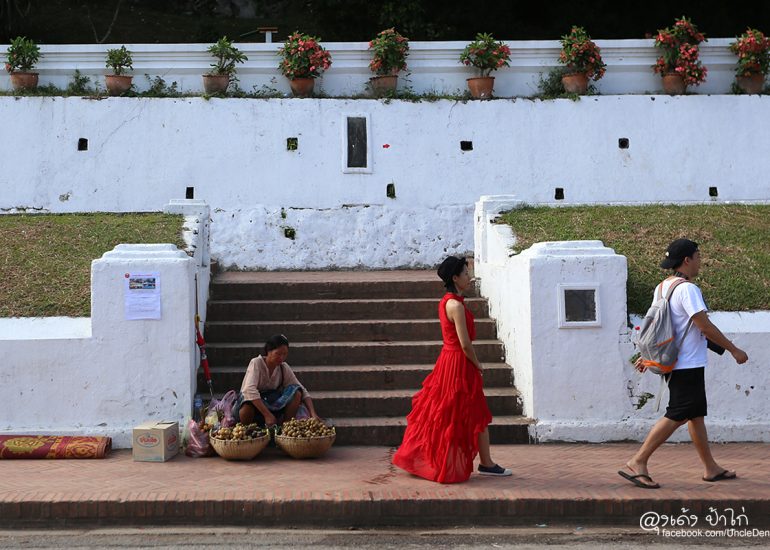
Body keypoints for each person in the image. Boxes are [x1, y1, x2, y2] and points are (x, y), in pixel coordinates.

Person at [619, 239, 749, 489]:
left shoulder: (663, 287)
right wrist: (733, 349)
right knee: (679, 413)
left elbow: (661, 327)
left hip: (677, 361)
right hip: (686, 363)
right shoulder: (688, 289)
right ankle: (639, 460)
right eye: (698, 256)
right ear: (687, 260)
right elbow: (704, 326)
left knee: (695, 415)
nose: (701, 261)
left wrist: (648, 357)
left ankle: (710, 468)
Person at [392, 256, 512, 483]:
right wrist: (477, 364)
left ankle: (485, 462)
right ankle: (486, 463)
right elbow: (465, 343)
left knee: (451, 412)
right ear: (455, 278)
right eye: (466, 273)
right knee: (470, 412)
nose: (469, 276)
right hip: (457, 363)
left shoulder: (448, 301)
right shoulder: (455, 305)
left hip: (448, 361)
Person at [232, 334, 320, 427]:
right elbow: (249, 390)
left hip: (272, 406)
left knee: (297, 392)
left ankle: (285, 427)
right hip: (252, 408)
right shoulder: (256, 363)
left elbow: (302, 390)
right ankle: (248, 430)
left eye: (284, 354)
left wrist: (313, 413)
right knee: (247, 405)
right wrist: (267, 415)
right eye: (278, 354)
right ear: (268, 351)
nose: (281, 358)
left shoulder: (283, 367)